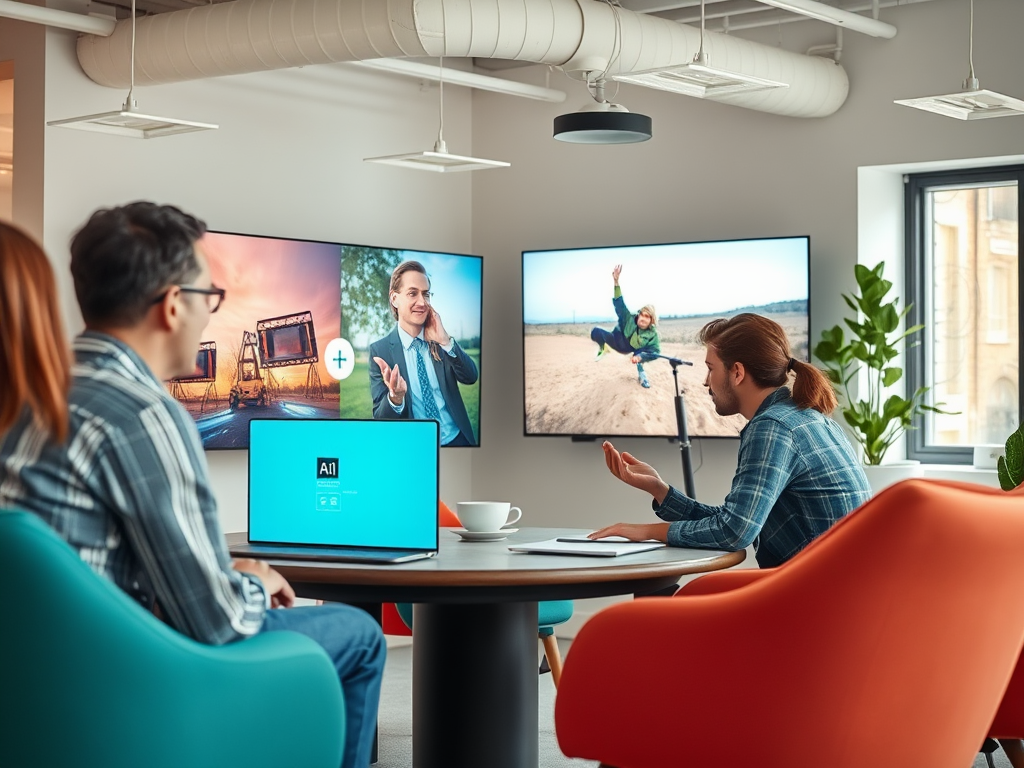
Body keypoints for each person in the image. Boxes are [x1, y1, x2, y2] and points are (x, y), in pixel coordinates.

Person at [0, 204, 384, 768]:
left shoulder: (29, 400)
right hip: (135, 684)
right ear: (175, 305)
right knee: (359, 633)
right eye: (210, 299)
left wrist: (229, 574)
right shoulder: (143, 413)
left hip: (42, 683)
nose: (209, 315)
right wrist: (248, 585)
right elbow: (216, 622)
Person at [591, 312, 872, 569]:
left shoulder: (773, 427)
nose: (705, 381)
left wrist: (644, 532)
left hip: (817, 601)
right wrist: (660, 490)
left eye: (711, 368)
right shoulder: (805, 416)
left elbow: (734, 531)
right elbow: (737, 519)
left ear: (737, 372)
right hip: (841, 595)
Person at [370, 260, 479, 446]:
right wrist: (395, 399)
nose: (422, 302)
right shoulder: (380, 351)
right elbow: (381, 418)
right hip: (418, 449)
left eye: (426, 294)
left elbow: (470, 377)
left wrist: (445, 341)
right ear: (394, 298)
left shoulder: (440, 340)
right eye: (413, 293)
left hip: (458, 439)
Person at [590, 264, 660, 388]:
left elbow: (655, 352)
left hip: (632, 350)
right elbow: (619, 304)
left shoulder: (652, 334)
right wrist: (616, 281)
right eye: (642, 315)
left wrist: (640, 356)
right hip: (617, 341)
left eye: (647, 316)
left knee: (641, 351)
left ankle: (642, 375)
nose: (643, 319)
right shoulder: (629, 318)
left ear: (652, 320)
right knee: (595, 331)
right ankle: (603, 348)